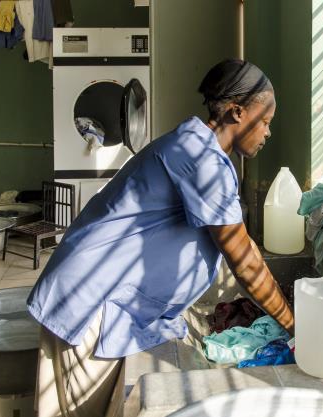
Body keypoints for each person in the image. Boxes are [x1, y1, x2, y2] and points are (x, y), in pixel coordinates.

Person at [27, 59, 294, 417]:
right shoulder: (202, 159)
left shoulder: (196, 148)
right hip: (92, 303)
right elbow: (244, 260)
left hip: (101, 295)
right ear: (236, 112)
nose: (267, 132)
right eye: (264, 121)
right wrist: (295, 325)